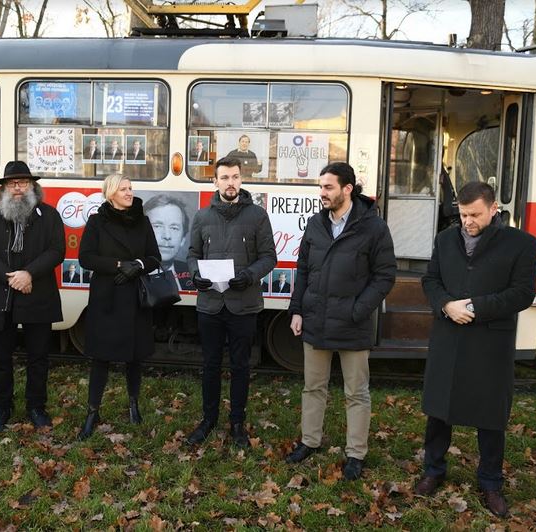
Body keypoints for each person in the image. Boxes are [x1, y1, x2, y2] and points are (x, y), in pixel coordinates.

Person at [415, 181, 536, 517]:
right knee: (439, 409)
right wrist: (446, 305)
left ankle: (490, 482)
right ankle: (433, 470)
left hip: (490, 342)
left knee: (490, 415)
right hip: (448, 336)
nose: (468, 221)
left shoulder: (522, 244)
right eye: (463, 213)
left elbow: (523, 293)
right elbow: (431, 280)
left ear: (493, 209)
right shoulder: (445, 239)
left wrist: (476, 307)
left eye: (475, 214)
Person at [285, 162, 396, 480]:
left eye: (328, 187)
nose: (322, 193)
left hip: (352, 324)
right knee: (313, 387)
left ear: (348, 189)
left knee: (357, 393)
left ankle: (356, 454)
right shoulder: (315, 224)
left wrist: (358, 310)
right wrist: (297, 310)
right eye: (320, 187)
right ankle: (309, 441)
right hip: (316, 320)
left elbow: (385, 275)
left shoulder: (373, 227)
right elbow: (303, 269)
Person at [186, 156, 277, 448]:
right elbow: (191, 254)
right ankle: (208, 419)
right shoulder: (202, 217)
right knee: (210, 365)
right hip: (210, 305)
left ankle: (237, 422)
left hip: (243, 304)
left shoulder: (257, 215)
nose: (230, 183)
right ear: (215, 181)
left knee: (240, 366)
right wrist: (196, 274)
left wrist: (249, 276)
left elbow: (269, 257)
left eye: (235, 177)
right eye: (224, 178)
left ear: (241, 179)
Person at [0, 160, 65, 431]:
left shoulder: (49, 216)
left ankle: (36, 407)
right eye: (12, 183)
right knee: (1, 358)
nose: (17, 188)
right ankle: (1, 409)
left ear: (32, 187)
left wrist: (29, 274)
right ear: (2, 188)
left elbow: (56, 250)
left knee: (38, 357)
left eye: (23, 182)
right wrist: (11, 277)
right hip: (1, 295)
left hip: (38, 293)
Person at [77, 175, 161, 439]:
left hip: (135, 296)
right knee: (100, 357)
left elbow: (154, 257)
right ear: (110, 193)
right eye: (123, 189)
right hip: (107, 296)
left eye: (130, 188)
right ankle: (93, 411)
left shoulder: (143, 220)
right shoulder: (96, 221)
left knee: (134, 357)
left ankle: (134, 405)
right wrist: (117, 265)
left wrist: (136, 265)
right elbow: (86, 258)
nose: (129, 192)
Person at [144, 194, 194, 290]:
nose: (167, 236)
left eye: (174, 228)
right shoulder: (131, 271)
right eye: (157, 226)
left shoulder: (192, 273)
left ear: (183, 239)